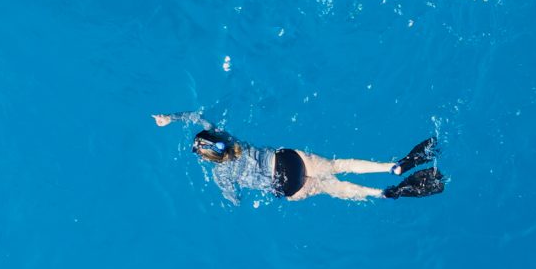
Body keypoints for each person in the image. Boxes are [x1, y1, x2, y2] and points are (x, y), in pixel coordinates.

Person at [152, 111, 444, 200]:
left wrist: (233, 193)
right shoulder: (230, 140)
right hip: (289, 161)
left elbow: (235, 200)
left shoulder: (220, 174)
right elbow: (199, 117)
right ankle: (392, 167)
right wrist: (172, 118)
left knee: (335, 188)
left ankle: (383, 193)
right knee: (338, 165)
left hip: (288, 187)